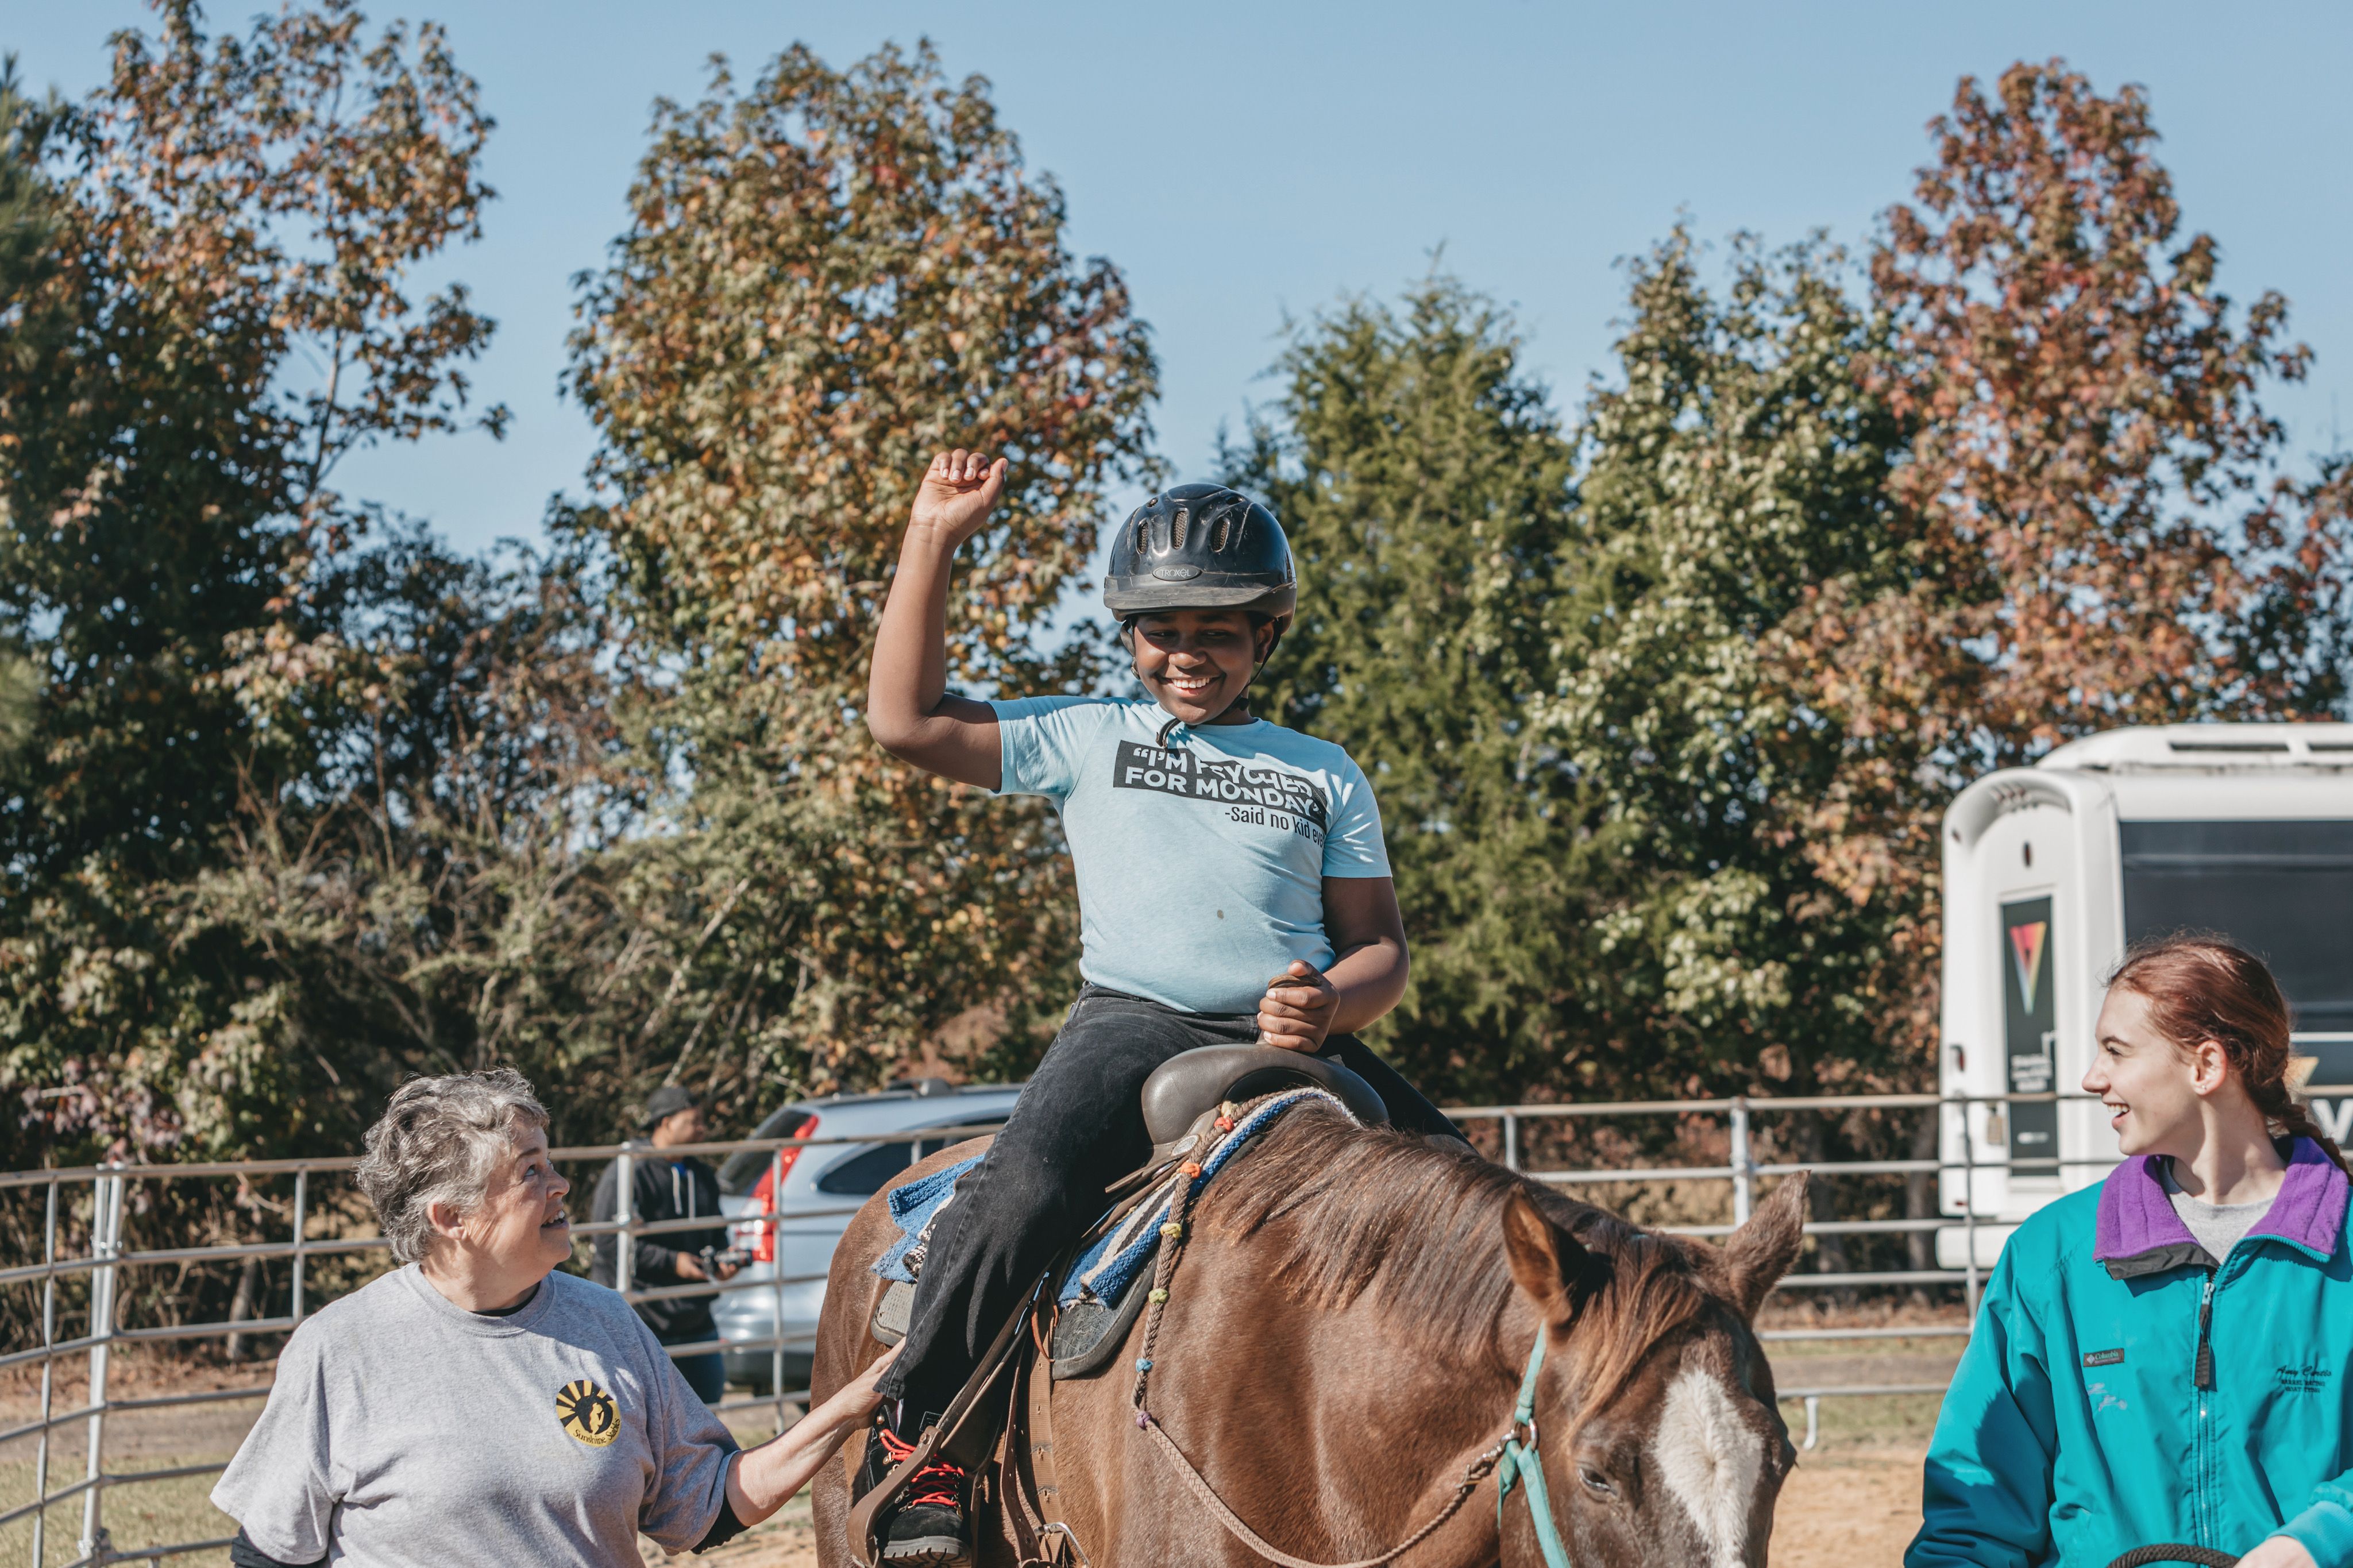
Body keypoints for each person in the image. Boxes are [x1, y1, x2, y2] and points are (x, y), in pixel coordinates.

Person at [858, 451, 1463, 1564]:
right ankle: (925, 1440)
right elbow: (903, 721)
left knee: (1469, 1196)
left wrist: (1329, 1003)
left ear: (1265, 637)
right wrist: (932, 538)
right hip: (1133, 1023)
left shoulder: (1322, 772)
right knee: (1022, 1187)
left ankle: (1485, 1447)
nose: (1187, 654)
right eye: (1161, 632)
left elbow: (1380, 947)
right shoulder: (1087, 734)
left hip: (1292, 1038)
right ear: (1130, 636)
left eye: (1217, 633)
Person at [214, 1070, 894, 1568]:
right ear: (450, 1218)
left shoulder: (605, 1323)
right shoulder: (342, 1348)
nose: (561, 1184)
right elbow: (268, 1554)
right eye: (529, 1171)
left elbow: (707, 1504)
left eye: (551, 1162)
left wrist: (852, 1403)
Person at [1908, 936, 2353, 1568]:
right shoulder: (2052, 1256)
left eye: (2115, 1051)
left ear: (2205, 1066)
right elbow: (1977, 1510)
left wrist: (2318, 1542)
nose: (2093, 1078)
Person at [589, 1083, 739, 1405]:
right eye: (693, 1121)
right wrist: (673, 1262)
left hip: (695, 1316)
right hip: (643, 1317)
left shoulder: (702, 1174)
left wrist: (723, 1260)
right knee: (648, 1415)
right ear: (666, 1123)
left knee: (707, 1408)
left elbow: (716, 1231)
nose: (702, 1129)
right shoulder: (629, 1170)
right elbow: (608, 1242)